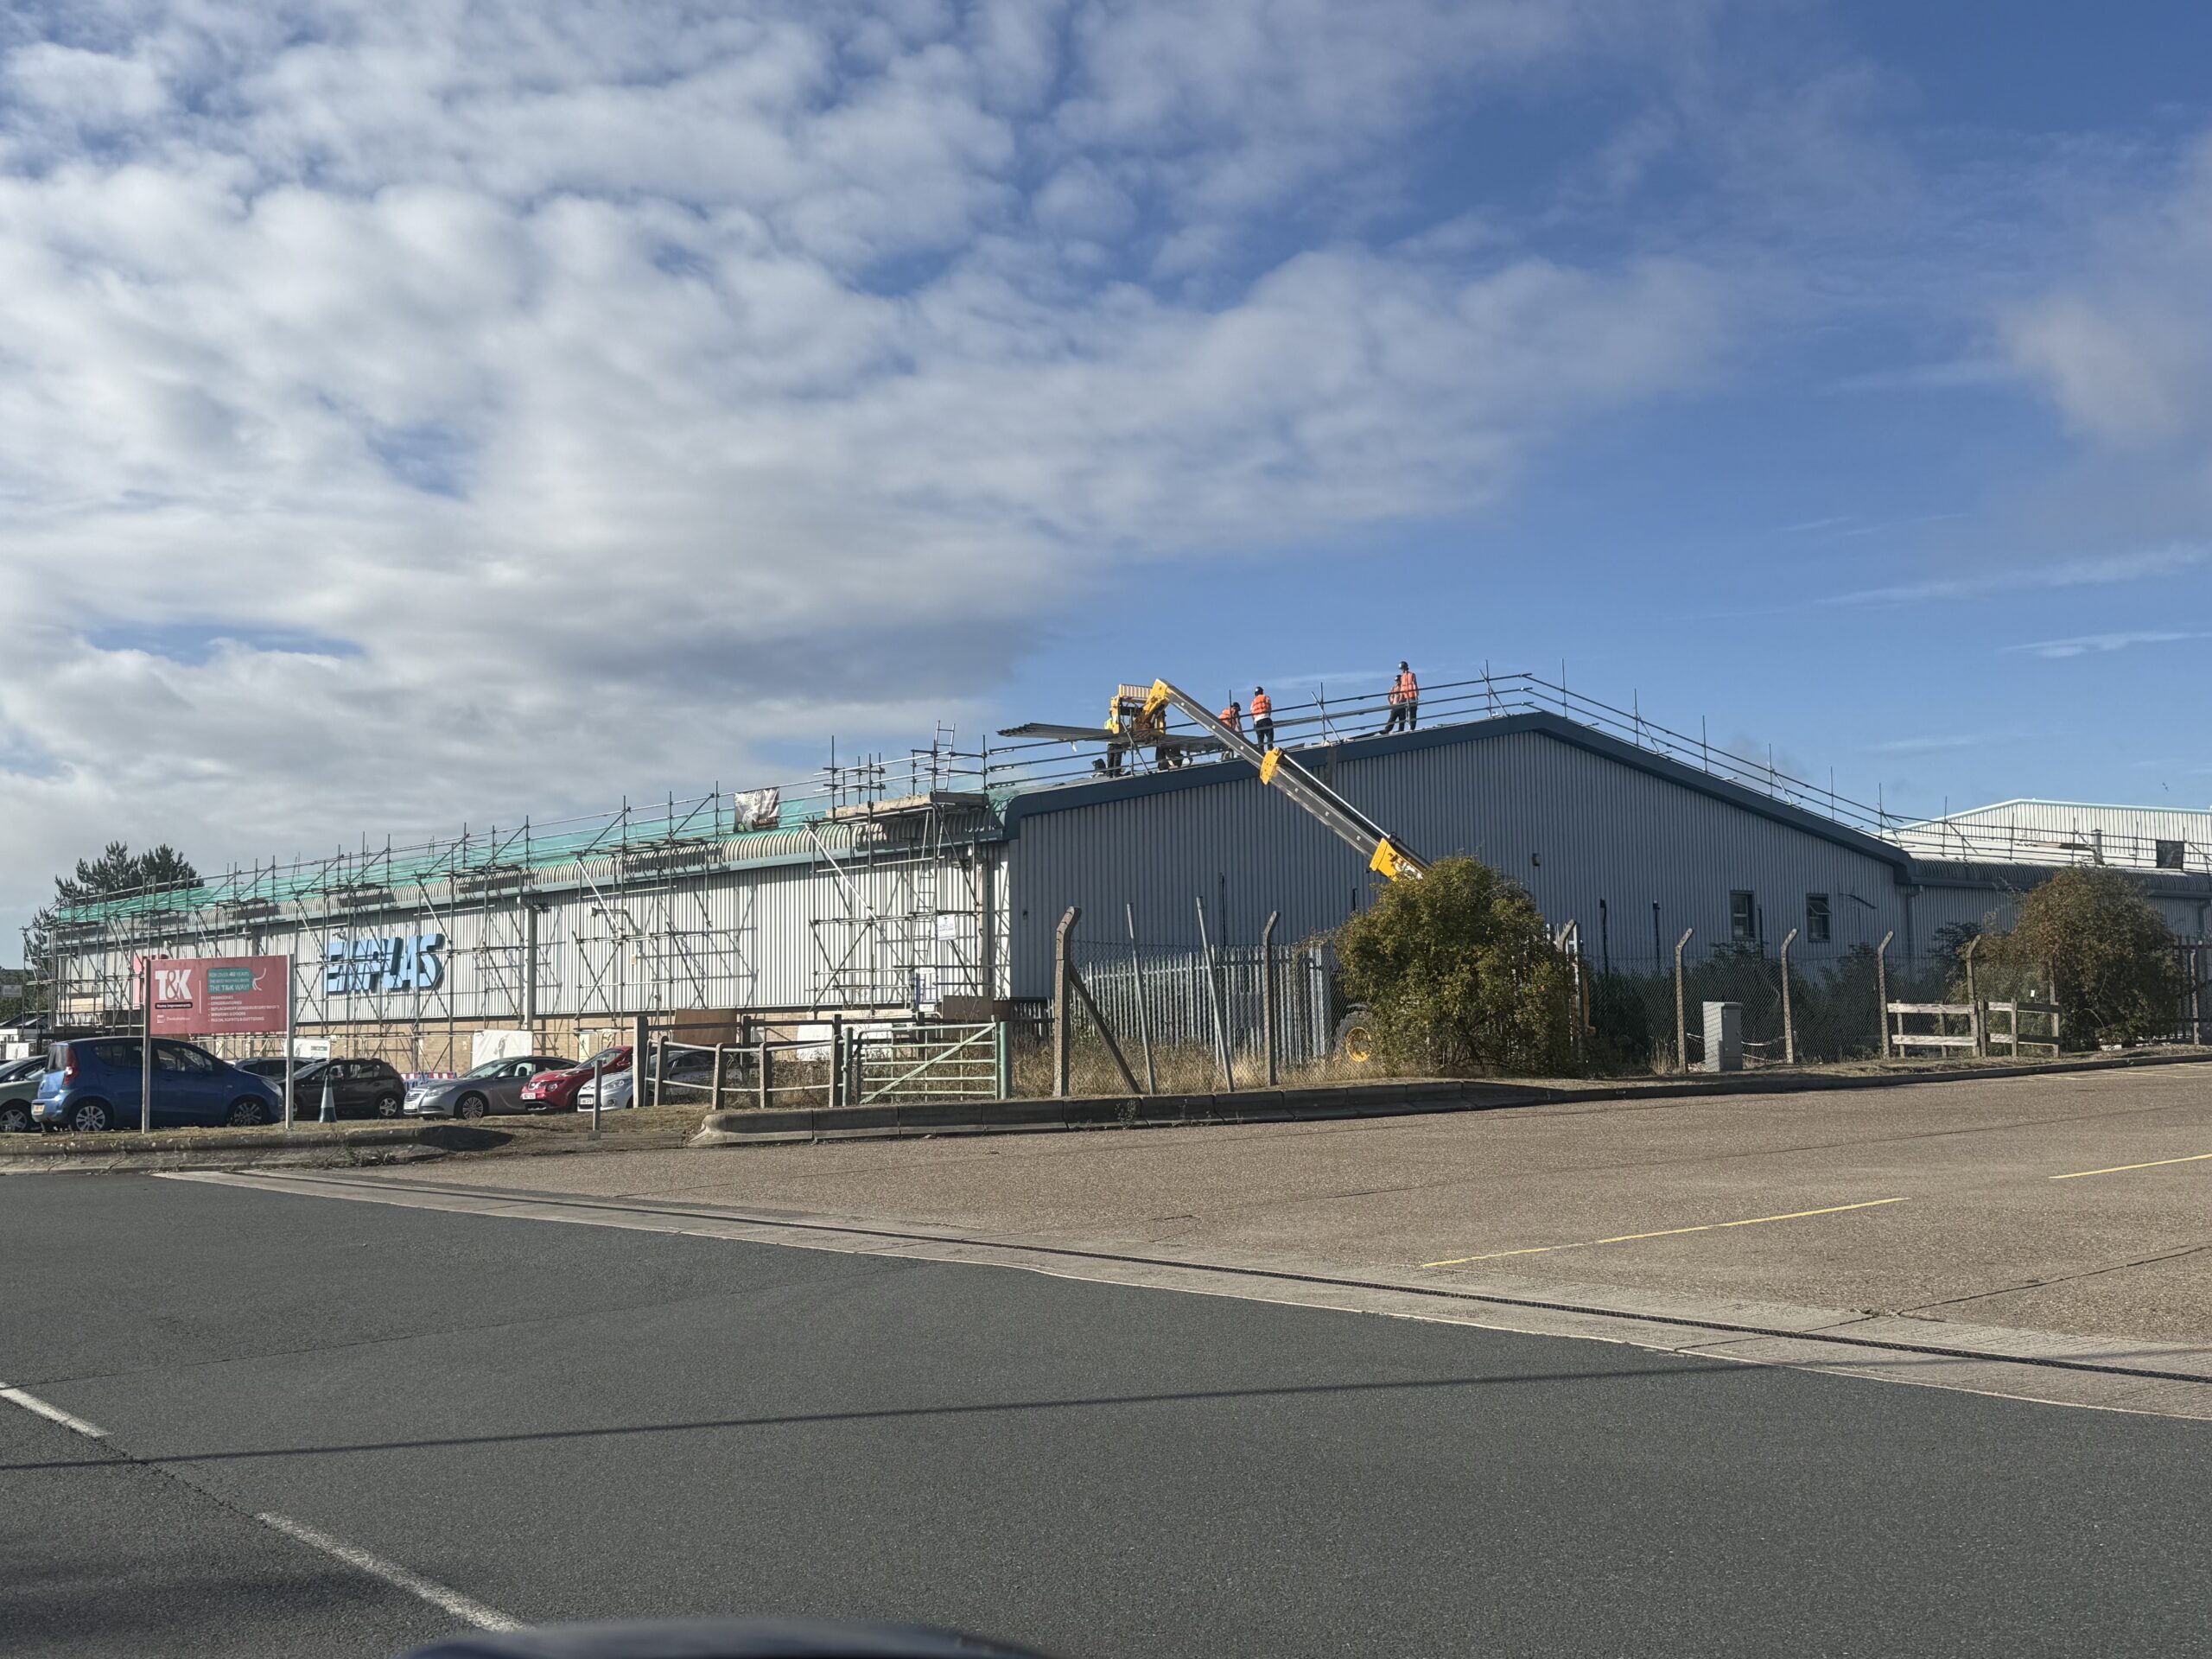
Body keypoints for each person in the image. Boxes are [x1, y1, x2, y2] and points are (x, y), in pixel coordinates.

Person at [1384, 661, 1418, 734]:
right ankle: (1390, 729)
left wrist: (1416, 696)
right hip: (1404, 698)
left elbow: (1414, 685)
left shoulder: (1411, 675)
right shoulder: (1401, 678)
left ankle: (1411, 727)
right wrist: (1397, 700)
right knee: (1401, 713)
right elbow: (1402, 689)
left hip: (1411, 696)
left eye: (1403, 668)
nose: (1402, 670)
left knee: (1411, 712)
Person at [1249, 685, 1274, 750]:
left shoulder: (1253, 701)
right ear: (1262, 692)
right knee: (1269, 734)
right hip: (1265, 717)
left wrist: (1254, 722)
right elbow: (1269, 708)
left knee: (1260, 737)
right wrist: (1268, 716)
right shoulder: (1266, 697)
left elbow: (1252, 713)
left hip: (1257, 721)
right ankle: (1270, 748)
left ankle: (1261, 750)